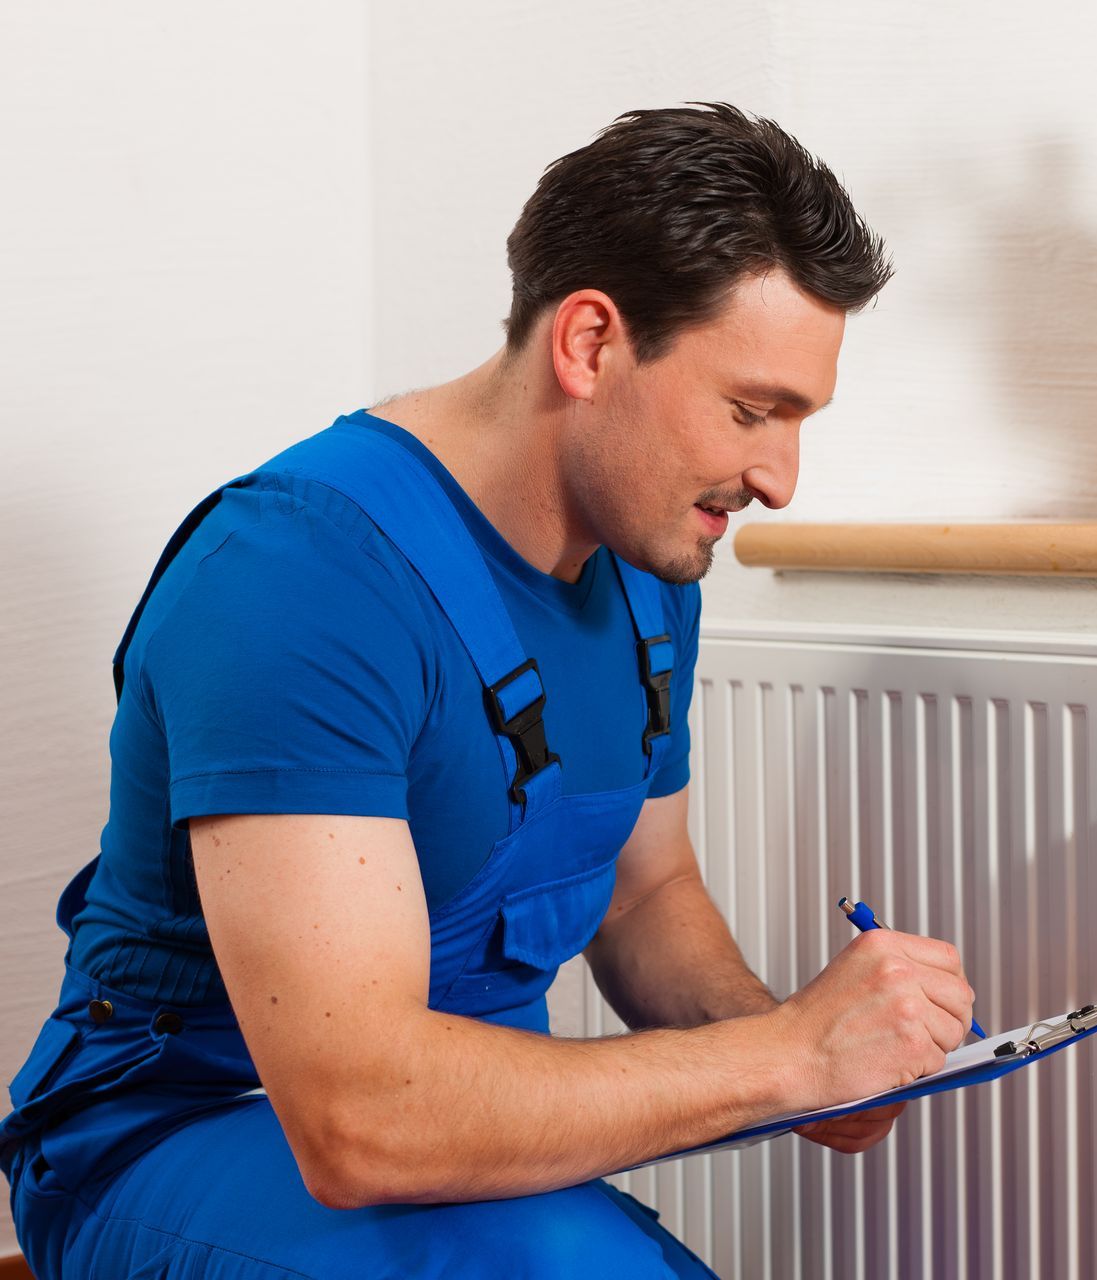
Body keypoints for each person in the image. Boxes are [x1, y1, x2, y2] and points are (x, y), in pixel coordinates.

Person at [2, 103, 977, 1278]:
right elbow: (358, 1117)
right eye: (750, 410)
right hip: (194, 1126)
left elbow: (644, 891)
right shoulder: (296, 577)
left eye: (799, 420)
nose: (779, 475)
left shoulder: (651, 559)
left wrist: (820, 1056)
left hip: (464, 1145)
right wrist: (786, 1060)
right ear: (590, 343)